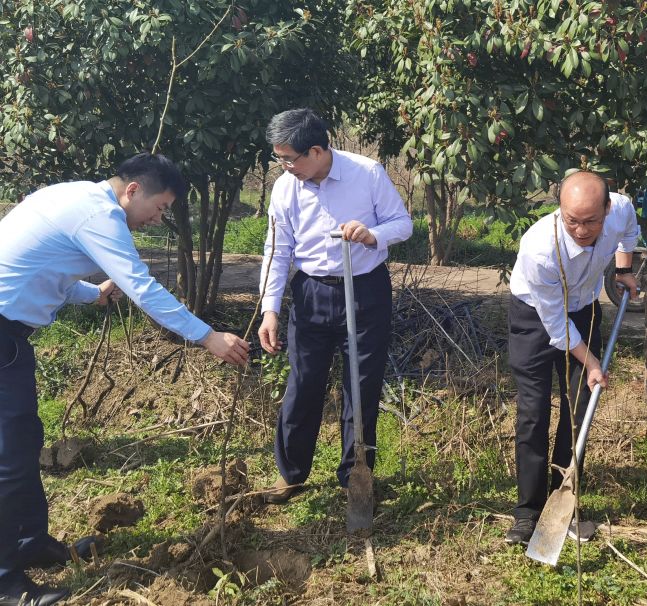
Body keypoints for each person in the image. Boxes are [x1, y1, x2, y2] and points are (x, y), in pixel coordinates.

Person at [0, 153, 250, 605]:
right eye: (159, 207)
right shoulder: (100, 215)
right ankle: (5, 583)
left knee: (22, 443)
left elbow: (44, 267)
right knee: (8, 459)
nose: (158, 218)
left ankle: (30, 543)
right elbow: (141, 287)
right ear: (133, 190)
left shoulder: (76, 197)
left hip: (9, 338)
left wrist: (90, 293)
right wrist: (207, 335)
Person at [257, 108, 412, 505]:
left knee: (361, 386)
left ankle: (355, 476)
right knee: (303, 384)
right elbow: (277, 250)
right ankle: (291, 473)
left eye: (290, 159)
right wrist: (270, 309)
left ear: (317, 150)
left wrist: (371, 234)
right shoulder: (285, 188)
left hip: (365, 292)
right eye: (280, 159)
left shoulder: (367, 173)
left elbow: (402, 223)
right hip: (311, 293)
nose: (285, 167)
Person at [504, 171, 640, 545]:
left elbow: (629, 231)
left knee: (580, 409)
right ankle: (527, 514)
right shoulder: (539, 249)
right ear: (560, 210)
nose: (581, 230)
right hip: (535, 316)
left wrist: (624, 269)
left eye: (591, 221)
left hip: (583, 310)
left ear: (607, 208)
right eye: (572, 221)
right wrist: (592, 361)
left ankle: (562, 504)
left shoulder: (620, 209)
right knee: (533, 412)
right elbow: (555, 326)